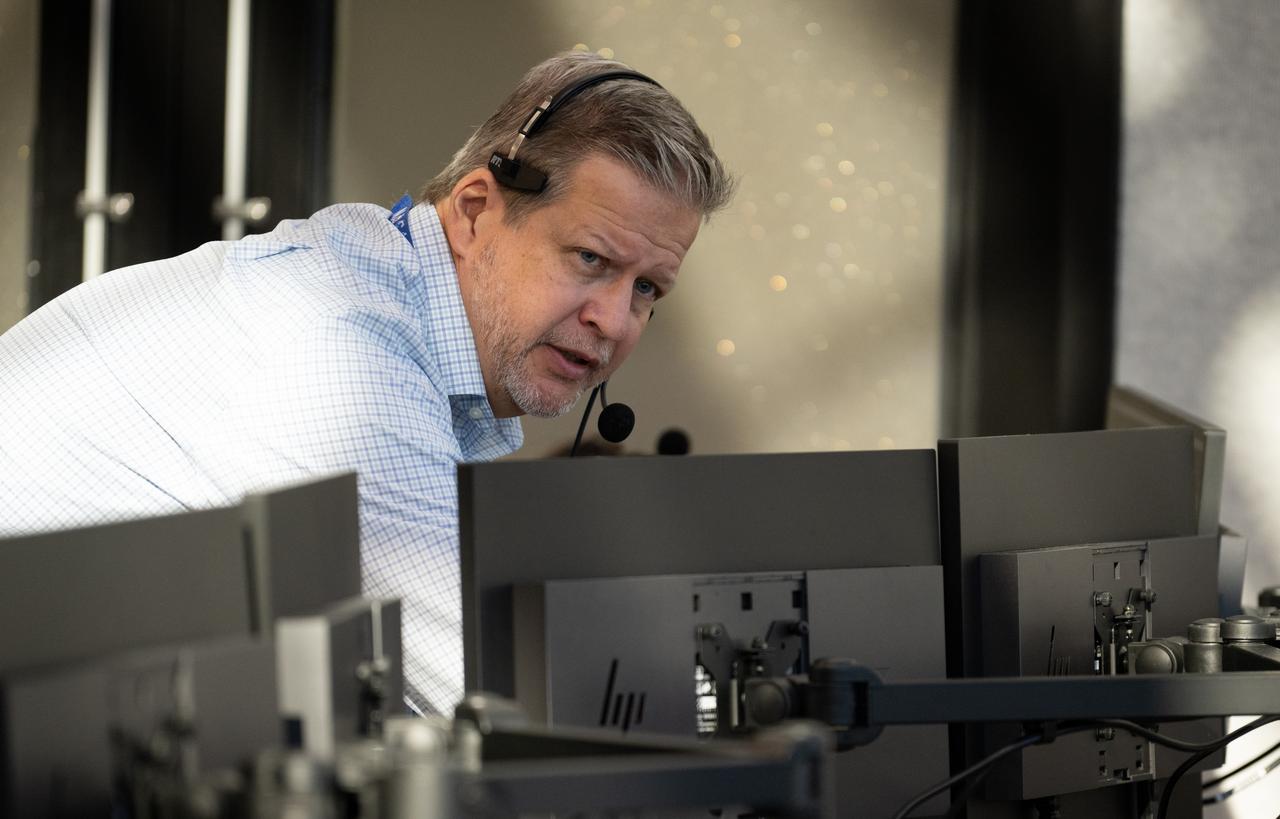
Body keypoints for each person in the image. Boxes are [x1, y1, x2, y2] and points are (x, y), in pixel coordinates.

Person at [0, 51, 733, 714]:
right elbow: (527, 707)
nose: (613, 319)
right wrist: (738, 708)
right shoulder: (343, 355)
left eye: (647, 291)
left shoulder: (369, 293)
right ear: (477, 211)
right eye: (591, 260)